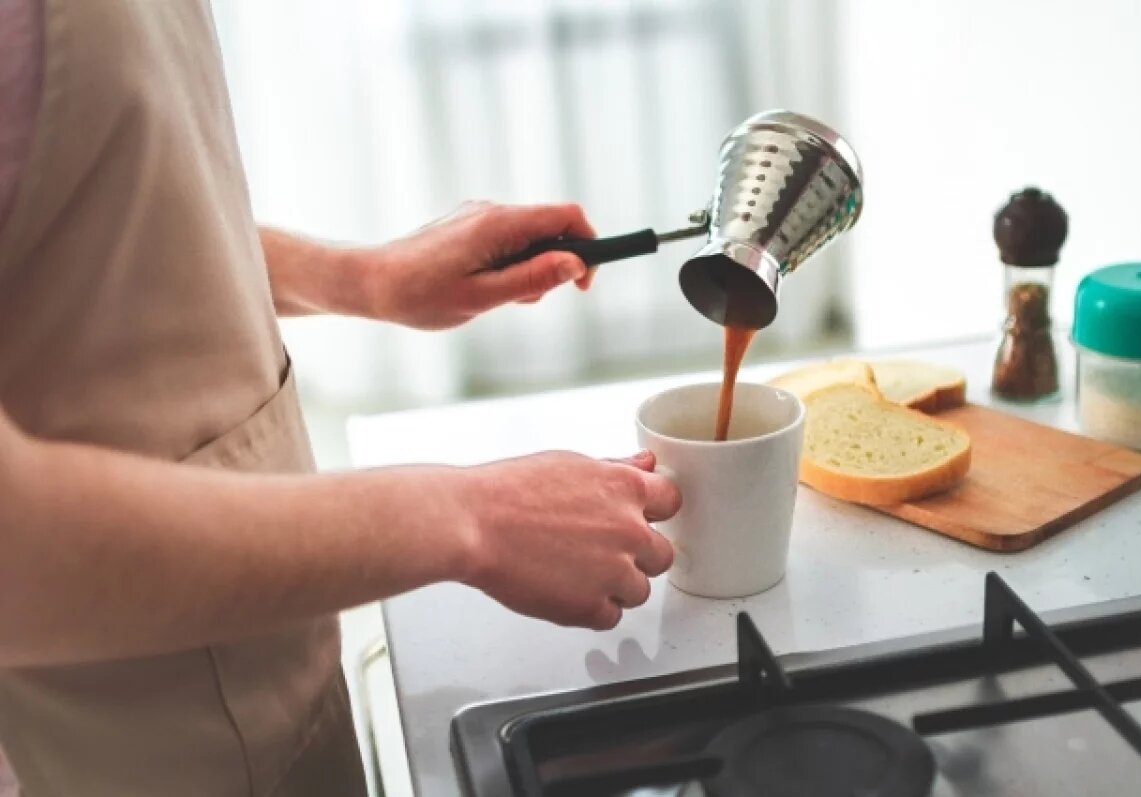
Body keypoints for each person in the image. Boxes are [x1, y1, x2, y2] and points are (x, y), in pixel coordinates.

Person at [0, 1, 681, 795]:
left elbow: (101, 214)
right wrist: (470, 517)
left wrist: (360, 278)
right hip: (104, 750)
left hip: (262, 672)